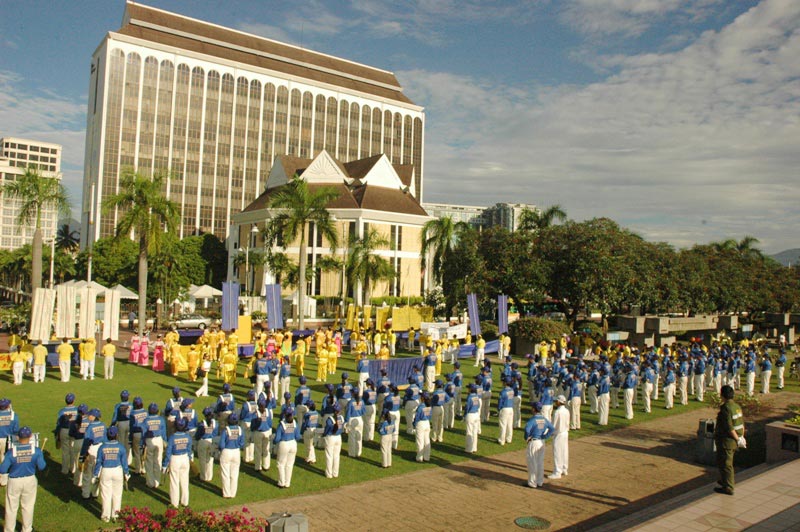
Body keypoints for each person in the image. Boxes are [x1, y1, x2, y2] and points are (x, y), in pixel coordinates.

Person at [0, 426, 46, 532]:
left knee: (11, 508)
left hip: (14, 481)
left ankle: (9, 530)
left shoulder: (11, 452)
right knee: (28, 506)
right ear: (30, 436)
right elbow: (42, 467)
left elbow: (2, 469)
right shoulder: (37, 451)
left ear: (17, 437)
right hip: (30, 480)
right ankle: (27, 529)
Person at [714, 385, 746, 495]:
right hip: (734, 439)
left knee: (726, 464)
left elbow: (729, 427)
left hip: (727, 441)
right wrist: (741, 436)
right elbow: (741, 423)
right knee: (723, 462)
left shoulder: (726, 408)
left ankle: (728, 487)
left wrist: (737, 439)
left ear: (722, 395)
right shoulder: (736, 406)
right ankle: (725, 480)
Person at [94, 425, 130, 522]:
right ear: (116, 435)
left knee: (106, 495)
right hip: (117, 471)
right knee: (117, 494)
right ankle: (116, 515)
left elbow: (98, 462)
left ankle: (105, 516)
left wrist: (95, 474)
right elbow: (124, 463)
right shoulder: (121, 447)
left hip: (106, 471)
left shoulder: (102, 447)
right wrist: (127, 473)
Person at [163, 417, 192, 508]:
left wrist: (165, 465)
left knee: (174, 481)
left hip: (175, 459)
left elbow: (168, 452)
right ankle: (185, 502)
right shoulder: (188, 436)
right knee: (185, 480)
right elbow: (189, 450)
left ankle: (174, 503)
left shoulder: (172, 437)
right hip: (185, 458)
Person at [524, 402, 555, 489]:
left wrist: (526, 437)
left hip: (534, 442)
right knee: (540, 462)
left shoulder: (532, 420)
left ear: (534, 409)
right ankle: (539, 481)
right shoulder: (544, 419)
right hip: (541, 442)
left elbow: (527, 430)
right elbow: (552, 428)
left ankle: (532, 483)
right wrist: (545, 436)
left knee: (532, 462)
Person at [79, 409, 107, 499]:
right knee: (97, 472)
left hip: (92, 449)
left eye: (90, 415)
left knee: (88, 473)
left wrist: (82, 455)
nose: (88, 416)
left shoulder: (90, 427)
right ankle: (95, 493)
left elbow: (86, 442)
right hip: (102, 447)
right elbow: (106, 438)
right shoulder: (103, 425)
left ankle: (85, 494)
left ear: (94, 416)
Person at [274, 407, 301, 488]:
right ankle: (287, 483)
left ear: (285, 414)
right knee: (289, 464)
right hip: (293, 443)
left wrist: (273, 441)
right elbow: (298, 436)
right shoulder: (295, 423)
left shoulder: (281, 424)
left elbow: (277, 438)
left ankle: (281, 483)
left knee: (281, 464)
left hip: (284, 444)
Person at [219, 413, 245, 498]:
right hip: (236, 452)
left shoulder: (225, 430)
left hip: (226, 451)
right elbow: (242, 443)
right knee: (235, 474)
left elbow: (221, 444)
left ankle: (226, 493)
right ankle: (233, 493)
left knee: (225, 473)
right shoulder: (240, 430)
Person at [142, 403, 167, 489]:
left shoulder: (146, 420)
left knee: (149, 462)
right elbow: (164, 432)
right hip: (159, 440)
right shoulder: (161, 419)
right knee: (158, 460)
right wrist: (165, 442)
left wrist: (143, 443)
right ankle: (157, 482)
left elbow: (143, 433)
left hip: (149, 440)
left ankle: (150, 482)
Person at [54, 393, 79, 474]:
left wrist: (57, 435)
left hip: (64, 431)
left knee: (65, 451)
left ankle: (64, 470)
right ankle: (73, 469)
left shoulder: (62, 411)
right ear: (73, 400)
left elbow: (58, 424)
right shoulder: (77, 410)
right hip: (74, 431)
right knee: (73, 450)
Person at [0, 399, 20, 487]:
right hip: (7, 439)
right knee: (5, 458)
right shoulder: (13, 415)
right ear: (8, 406)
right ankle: (3, 479)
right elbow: (16, 430)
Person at [549, 395, 570, 479]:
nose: (555, 402)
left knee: (557, 452)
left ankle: (557, 472)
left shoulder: (557, 412)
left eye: (556, 401)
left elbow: (553, 425)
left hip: (558, 434)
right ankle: (564, 468)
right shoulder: (567, 411)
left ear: (559, 402)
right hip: (565, 432)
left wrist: (550, 433)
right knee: (564, 451)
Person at [250, 399, 273, 472]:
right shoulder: (268, 412)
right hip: (267, 432)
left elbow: (252, 426)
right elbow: (270, 424)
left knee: (258, 450)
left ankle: (258, 467)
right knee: (266, 449)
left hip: (258, 433)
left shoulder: (255, 414)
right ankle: (266, 466)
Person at [196, 407, 218, 482]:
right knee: (210, 459)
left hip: (203, 441)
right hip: (212, 441)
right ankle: (209, 476)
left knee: (202, 460)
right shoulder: (216, 423)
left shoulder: (202, 424)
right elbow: (216, 433)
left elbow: (198, 435)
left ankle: (203, 476)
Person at [323, 404, 345, 479]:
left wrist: (324, 434)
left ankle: (329, 474)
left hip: (330, 437)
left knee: (329, 456)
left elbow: (327, 429)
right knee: (336, 456)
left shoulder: (330, 419)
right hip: (338, 437)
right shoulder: (341, 418)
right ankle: (335, 473)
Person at [111, 390, 132, 466]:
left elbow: (115, 417)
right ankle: (127, 460)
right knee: (128, 443)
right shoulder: (131, 405)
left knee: (120, 442)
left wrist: (112, 425)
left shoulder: (118, 405)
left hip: (121, 424)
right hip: (130, 423)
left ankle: (120, 459)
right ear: (128, 397)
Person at [345, 391, 365, 458]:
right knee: (359, 436)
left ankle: (352, 453)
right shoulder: (361, 401)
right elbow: (363, 411)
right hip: (360, 419)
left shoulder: (350, 402)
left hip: (352, 419)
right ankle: (358, 453)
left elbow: (348, 413)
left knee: (352, 437)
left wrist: (346, 422)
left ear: (353, 393)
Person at [413, 393, 432, 462]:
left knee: (420, 441)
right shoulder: (429, 406)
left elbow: (417, 417)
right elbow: (430, 416)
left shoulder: (421, 407)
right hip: (427, 423)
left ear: (422, 398)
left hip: (420, 423)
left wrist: (414, 424)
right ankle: (427, 457)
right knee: (427, 441)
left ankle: (419, 458)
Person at [464, 383, 481, 453]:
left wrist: (464, 415)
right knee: (474, 432)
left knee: (469, 432)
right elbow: (478, 405)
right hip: (476, 414)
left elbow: (467, 408)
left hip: (470, 415)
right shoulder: (477, 396)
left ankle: (469, 449)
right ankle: (474, 448)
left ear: (470, 389)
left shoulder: (469, 397)